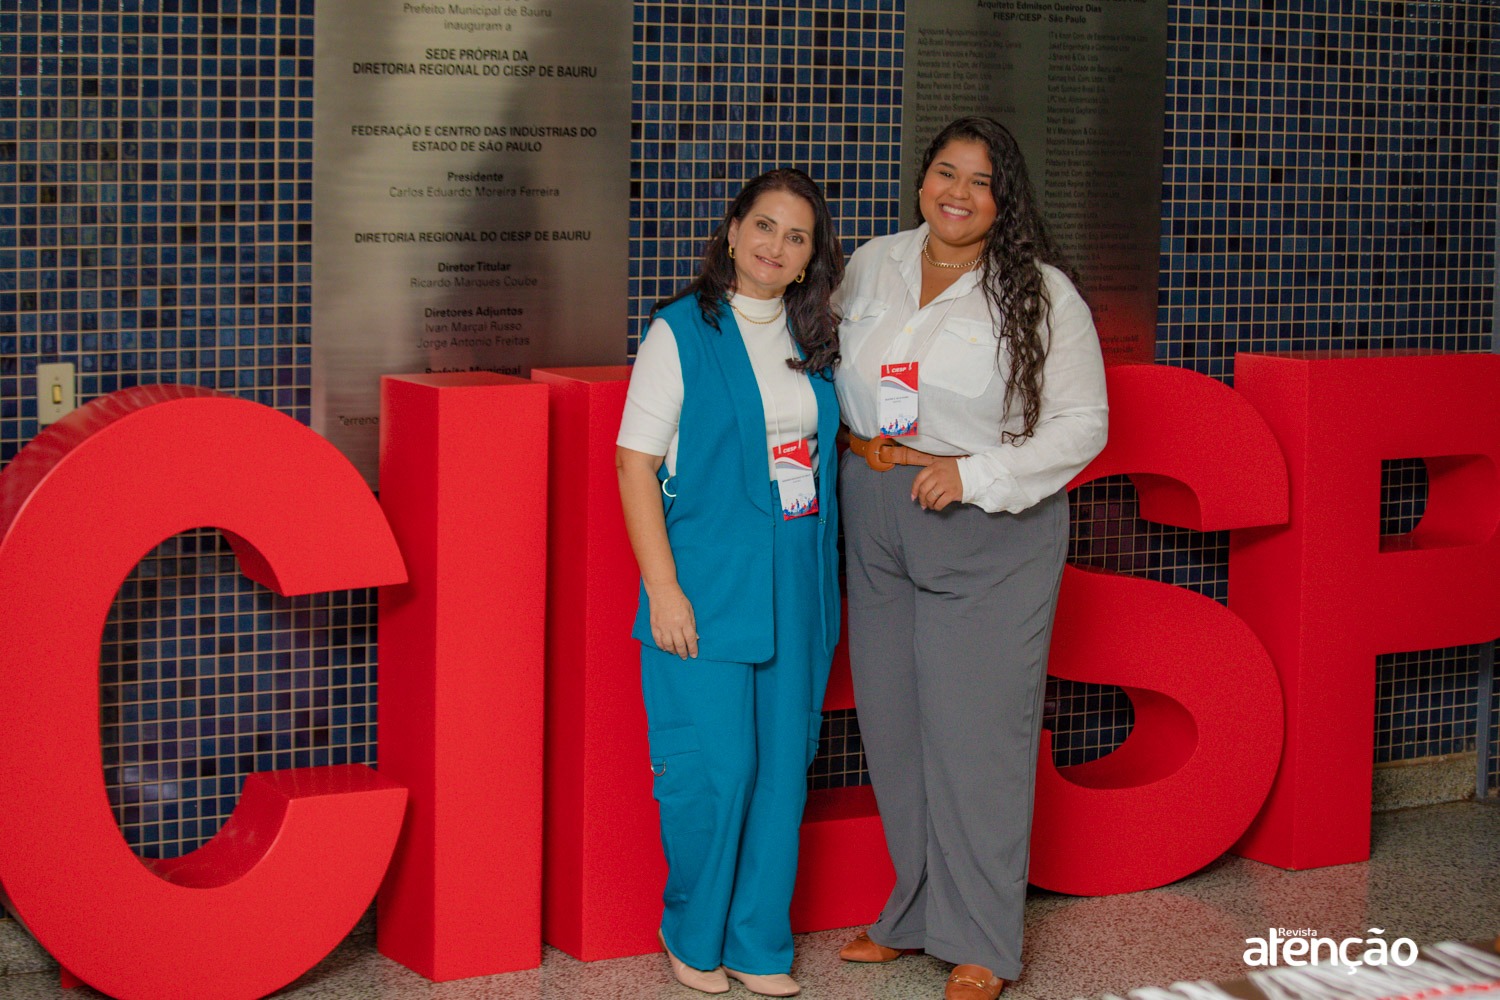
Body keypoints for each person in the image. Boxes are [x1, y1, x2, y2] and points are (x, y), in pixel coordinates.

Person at [831, 116, 1108, 1000]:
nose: (958, 193)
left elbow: (1084, 424)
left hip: (981, 521)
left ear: (1004, 199)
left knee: (977, 739)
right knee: (896, 727)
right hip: (874, 501)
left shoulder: (1043, 293)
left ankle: (982, 939)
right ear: (922, 180)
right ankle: (912, 916)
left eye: (980, 181)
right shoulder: (872, 263)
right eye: (945, 172)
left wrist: (974, 473)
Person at [615, 167, 844, 998]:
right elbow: (634, 464)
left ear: (810, 258)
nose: (776, 246)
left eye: (797, 236)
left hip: (798, 580)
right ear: (734, 229)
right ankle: (692, 931)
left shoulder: (816, 339)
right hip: (707, 582)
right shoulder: (680, 331)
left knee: (783, 770)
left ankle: (757, 945)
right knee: (717, 771)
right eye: (765, 225)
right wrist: (663, 589)